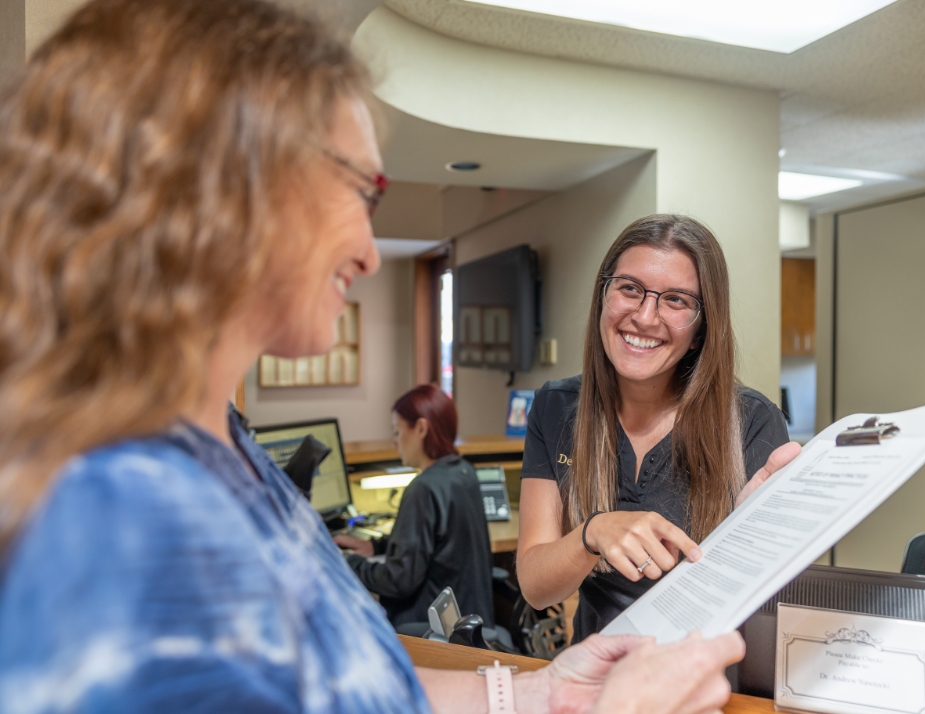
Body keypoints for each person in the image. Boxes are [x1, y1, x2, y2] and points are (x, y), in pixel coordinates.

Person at [0, 1, 746, 712]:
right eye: (360, 191)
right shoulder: (110, 519)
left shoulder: (222, 447)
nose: (366, 250)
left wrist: (536, 696)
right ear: (223, 186)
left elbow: (340, 687)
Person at [517, 215, 802, 643]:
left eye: (676, 300)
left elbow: (771, 608)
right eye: (629, 289)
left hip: (703, 684)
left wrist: (737, 541)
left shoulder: (753, 422)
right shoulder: (556, 408)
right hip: (598, 681)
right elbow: (537, 588)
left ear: (702, 326)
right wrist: (592, 532)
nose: (645, 317)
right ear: (603, 295)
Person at [334, 385, 495, 633]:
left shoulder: (423, 489)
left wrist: (349, 562)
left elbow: (399, 580)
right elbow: (435, 544)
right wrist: (375, 547)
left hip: (432, 628)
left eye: (397, 432)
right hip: (468, 619)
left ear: (420, 428)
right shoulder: (464, 472)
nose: (395, 441)